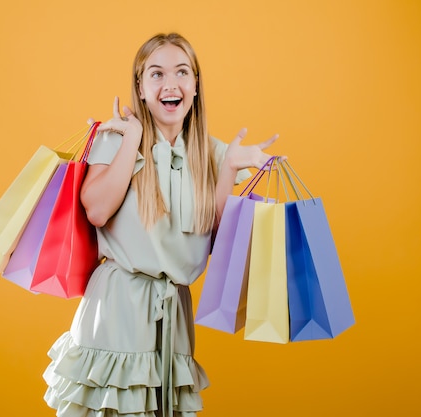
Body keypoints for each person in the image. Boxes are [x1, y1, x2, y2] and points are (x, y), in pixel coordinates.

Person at [42, 32, 279, 417]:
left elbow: (215, 239)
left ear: (196, 84)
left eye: (182, 72)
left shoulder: (214, 152)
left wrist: (231, 168)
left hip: (174, 315)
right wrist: (133, 138)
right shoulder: (117, 136)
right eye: (157, 74)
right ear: (140, 85)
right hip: (119, 309)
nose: (170, 84)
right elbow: (98, 211)